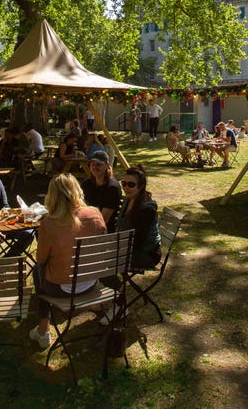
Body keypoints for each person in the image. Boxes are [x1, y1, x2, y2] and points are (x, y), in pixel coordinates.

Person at [29, 174, 107, 350]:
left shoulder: (49, 223)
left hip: (61, 288)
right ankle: (43, 329)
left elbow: (40, 259)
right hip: (91, 282)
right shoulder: (95, 213)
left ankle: (43, 330)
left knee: (37, 270)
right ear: (77, 191)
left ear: (52, 195)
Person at [117, 165, 161, 270]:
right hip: (128, 248)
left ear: (141, 186)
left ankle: (115, 285)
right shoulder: (129, 199)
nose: (126, 187)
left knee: (102, 260)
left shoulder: (147, 208)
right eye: (124, 183)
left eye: (131, 185)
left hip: (146, 254)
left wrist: (116, 248)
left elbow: (138, 241)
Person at [81, 150, 122, 231]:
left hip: (102, 230)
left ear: (107, 165)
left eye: (98, 164)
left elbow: (104, 220)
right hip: (86, 223)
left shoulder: (112, 188)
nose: (95, 167)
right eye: (93, 164)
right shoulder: (87, 183)